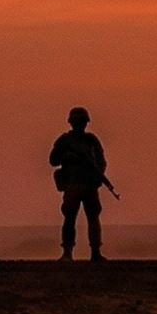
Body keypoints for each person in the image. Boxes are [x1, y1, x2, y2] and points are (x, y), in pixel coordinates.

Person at [50, 107, 107, 262]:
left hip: (89, 185)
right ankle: (67, 252)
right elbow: (53, 160)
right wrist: (67, 157)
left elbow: (101, 162)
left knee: (93, 218)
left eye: (82, 121)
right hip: (73, 185)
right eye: (78, 121)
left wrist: (98, 175)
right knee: (70, 218)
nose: (80, 124)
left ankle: (95, 252)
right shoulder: (64, 141)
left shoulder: (92, 140)